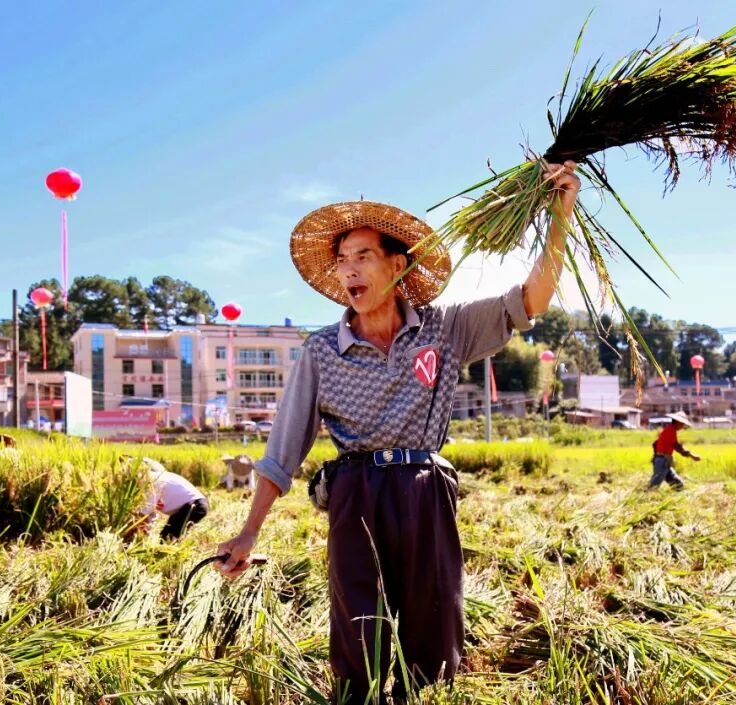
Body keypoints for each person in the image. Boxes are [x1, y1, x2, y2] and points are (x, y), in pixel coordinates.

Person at [217, 162, 581, 703]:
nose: (349, 272)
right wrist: (249, 532)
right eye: (342, 261)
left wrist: (560, 213)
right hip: (355, 492)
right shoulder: (322, 351)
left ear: (398, 264)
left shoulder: (443, 327)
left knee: (433, 627)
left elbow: (533, 298)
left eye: (363, 256)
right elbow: (283, 450)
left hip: (424, 488)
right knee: (359, 631)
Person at [138, 457, 209, 540]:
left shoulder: (154, 482)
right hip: (192, 505)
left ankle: (170, 550)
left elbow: (143, 516)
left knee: (170, 537)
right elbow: (151, 513)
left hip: (193, 506)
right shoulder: (162, 478)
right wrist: (146, 530)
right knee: (165, 536)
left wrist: (140, 534)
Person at [649, 411, 701, 490]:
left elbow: (655, 444)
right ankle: (645, 496)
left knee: (678, 485)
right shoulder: (670, 431)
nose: (683, 426)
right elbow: (677, 447)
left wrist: (657, 457)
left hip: (664, 461)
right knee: (654, 486)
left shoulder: (668, 430)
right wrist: (692, 455)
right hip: (662, 462)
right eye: (682, 424)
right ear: (678, 422)